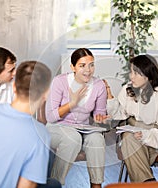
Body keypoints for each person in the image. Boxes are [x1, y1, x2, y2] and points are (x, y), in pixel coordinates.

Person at [105, 54, 158, 182]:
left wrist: (145, 135)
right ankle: (148, 182)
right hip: (132, 132)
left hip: (155, 138)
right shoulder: (128, 89)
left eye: (136, 73)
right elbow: (119, 114)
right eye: (131, 72)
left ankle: (146, 183)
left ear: (148, 75)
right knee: (129, 137)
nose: (131, 77)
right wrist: (110, 97)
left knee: (129, 139)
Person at [45, 48, 108, 188]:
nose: (88, 70)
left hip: (84, 128)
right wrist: (72, 103)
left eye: (91, 64)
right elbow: (50, 116)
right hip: (57, 128)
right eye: (82, 65)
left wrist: (101, 118)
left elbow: (100, 113)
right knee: (73, 138)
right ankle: (56, 183)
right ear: (72, 67)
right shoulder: (60, 82)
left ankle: (96, 185)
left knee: (97, 138)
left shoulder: (99, 85)